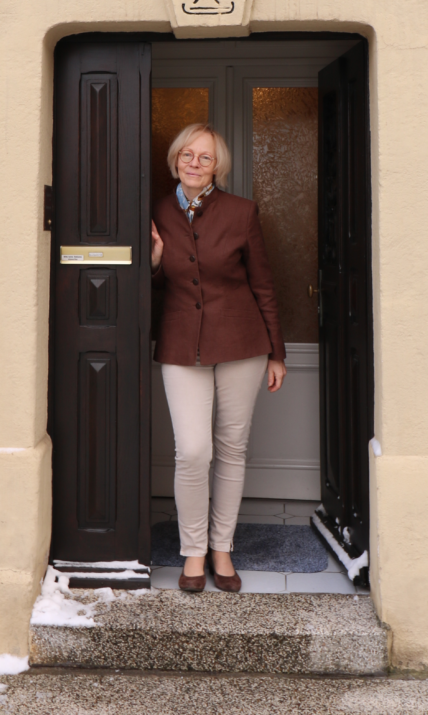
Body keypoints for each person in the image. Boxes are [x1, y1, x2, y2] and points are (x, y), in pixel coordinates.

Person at [151, 123, 286, 593]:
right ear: (174, 160)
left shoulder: (241, 212)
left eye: (204, 157)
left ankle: (221, 548)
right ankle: (193, 552)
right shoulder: (154, 212)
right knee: (192, 451)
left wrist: (277, 353)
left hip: (243, 344)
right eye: (186, 154)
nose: (193, 163)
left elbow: (263, 284)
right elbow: (144, 290)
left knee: (231, 448)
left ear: (217, 167)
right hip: (179, 344)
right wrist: (152, 261)